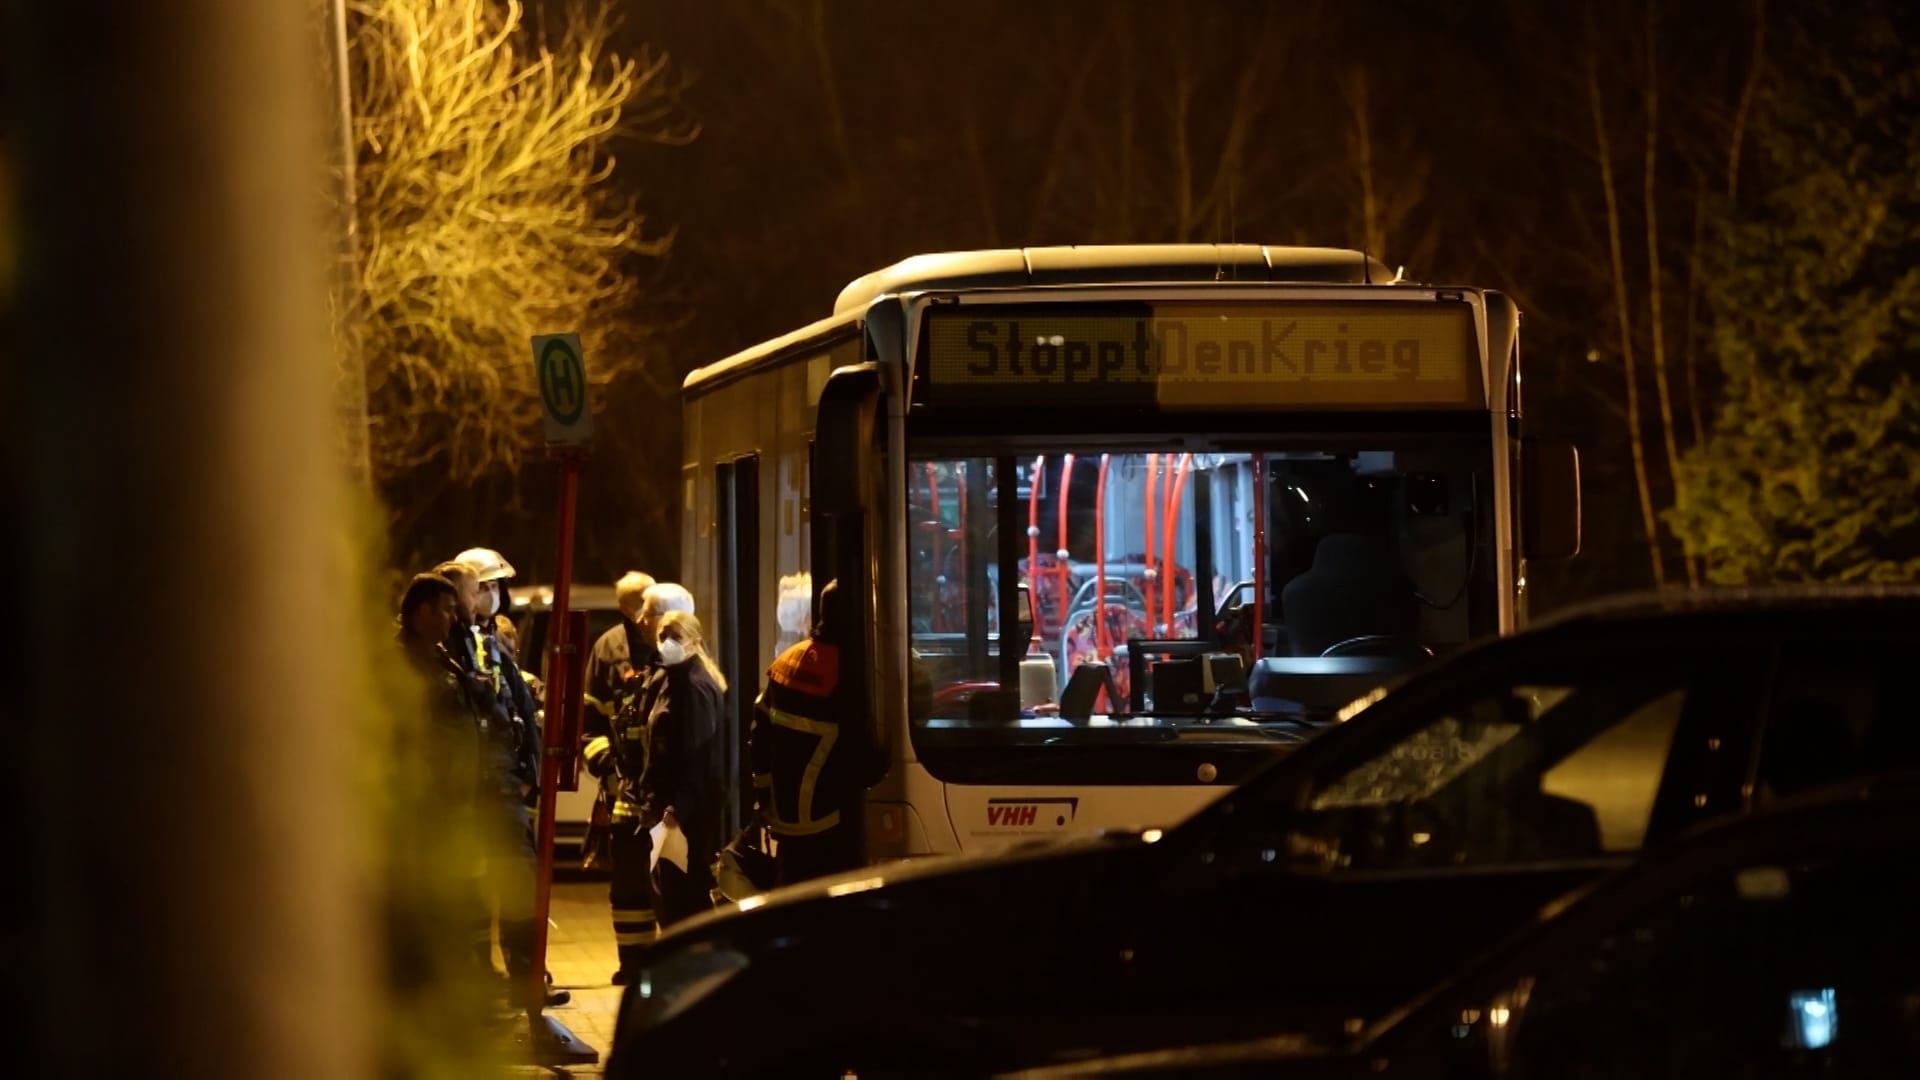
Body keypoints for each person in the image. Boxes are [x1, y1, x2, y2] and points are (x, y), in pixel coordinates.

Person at [581, 581, 694, 981]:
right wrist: (607, 763)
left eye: (645, 609)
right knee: (628, 888)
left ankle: (664, 967)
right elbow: (591, 723)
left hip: (657, 800)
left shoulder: (681, 672)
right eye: (635, 608)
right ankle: (634, 965)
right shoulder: (609, 649)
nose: (638, 617)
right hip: (625, 793)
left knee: (664, 888)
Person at [750, 579, 885, 886]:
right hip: (832, 819)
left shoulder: (785, 662)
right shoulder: (851, 671)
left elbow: (758, 741)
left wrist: (765, 801)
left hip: (787, 819)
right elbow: (860, 754)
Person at [636, 610, 727, 925]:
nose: (667, 643)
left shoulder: (694, 687)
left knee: (684, 899)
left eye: (676, 637)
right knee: (672, 894)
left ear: (694, 642)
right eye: (663, 636)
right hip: (669, 807)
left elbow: (698, 756)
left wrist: (678, 807)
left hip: (685, 814)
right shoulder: (672, 680)